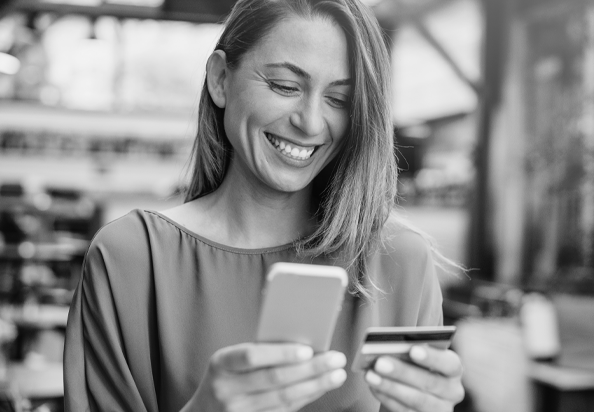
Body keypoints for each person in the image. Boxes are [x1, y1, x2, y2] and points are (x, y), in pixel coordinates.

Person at [63, 0, 465, 410]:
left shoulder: (400, 260)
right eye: (285, 86)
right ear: (221, 79)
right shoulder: (130, 257)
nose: (309, 122)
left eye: (339, 100)